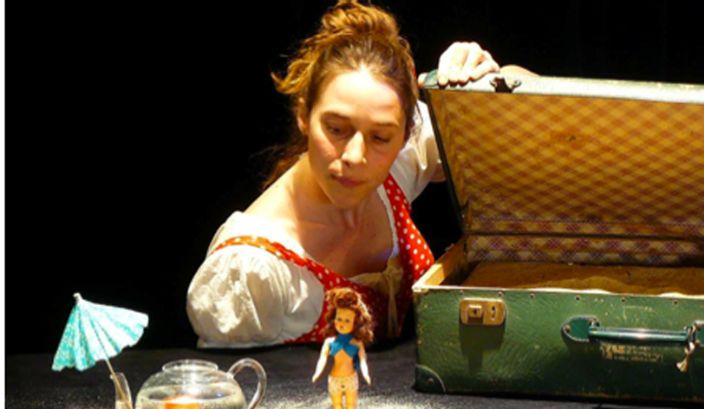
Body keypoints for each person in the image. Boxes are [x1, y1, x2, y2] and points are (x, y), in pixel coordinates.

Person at [186, 0, 504, 347]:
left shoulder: (400, 162)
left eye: (380, 138)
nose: (355, 156)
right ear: (304, 115)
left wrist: (490, 87)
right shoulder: (250, 271)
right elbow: (243, 379)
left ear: (404, 136)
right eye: (336, 129)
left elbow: (520, 141)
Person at [311, 288, 373, 409]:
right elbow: (322, 358)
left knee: (351, 406)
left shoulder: (357, 343)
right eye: (339, 319)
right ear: (333, 319)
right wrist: (317, 372)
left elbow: (363, 360)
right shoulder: (330, 342)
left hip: (351, 378)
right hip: (334, 379)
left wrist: (366, 374)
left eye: (347, 320)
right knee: (337, 406)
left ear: (355, 323)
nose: (342, 324)